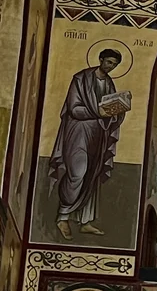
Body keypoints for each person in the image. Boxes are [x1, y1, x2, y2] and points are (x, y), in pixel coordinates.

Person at [49, 46, 133, 239]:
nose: (111, 67)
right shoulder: (81, 79)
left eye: (115, 65)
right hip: (77, 131)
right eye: (109, 62)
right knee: (78, 172)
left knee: (92, 175)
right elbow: (74, 108)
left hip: (98, 135)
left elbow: (108, 110)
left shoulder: (109, 83)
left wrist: (118, 110)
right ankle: (63, 216)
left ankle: (85, 221)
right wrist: (98, 112)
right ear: (101, 59)